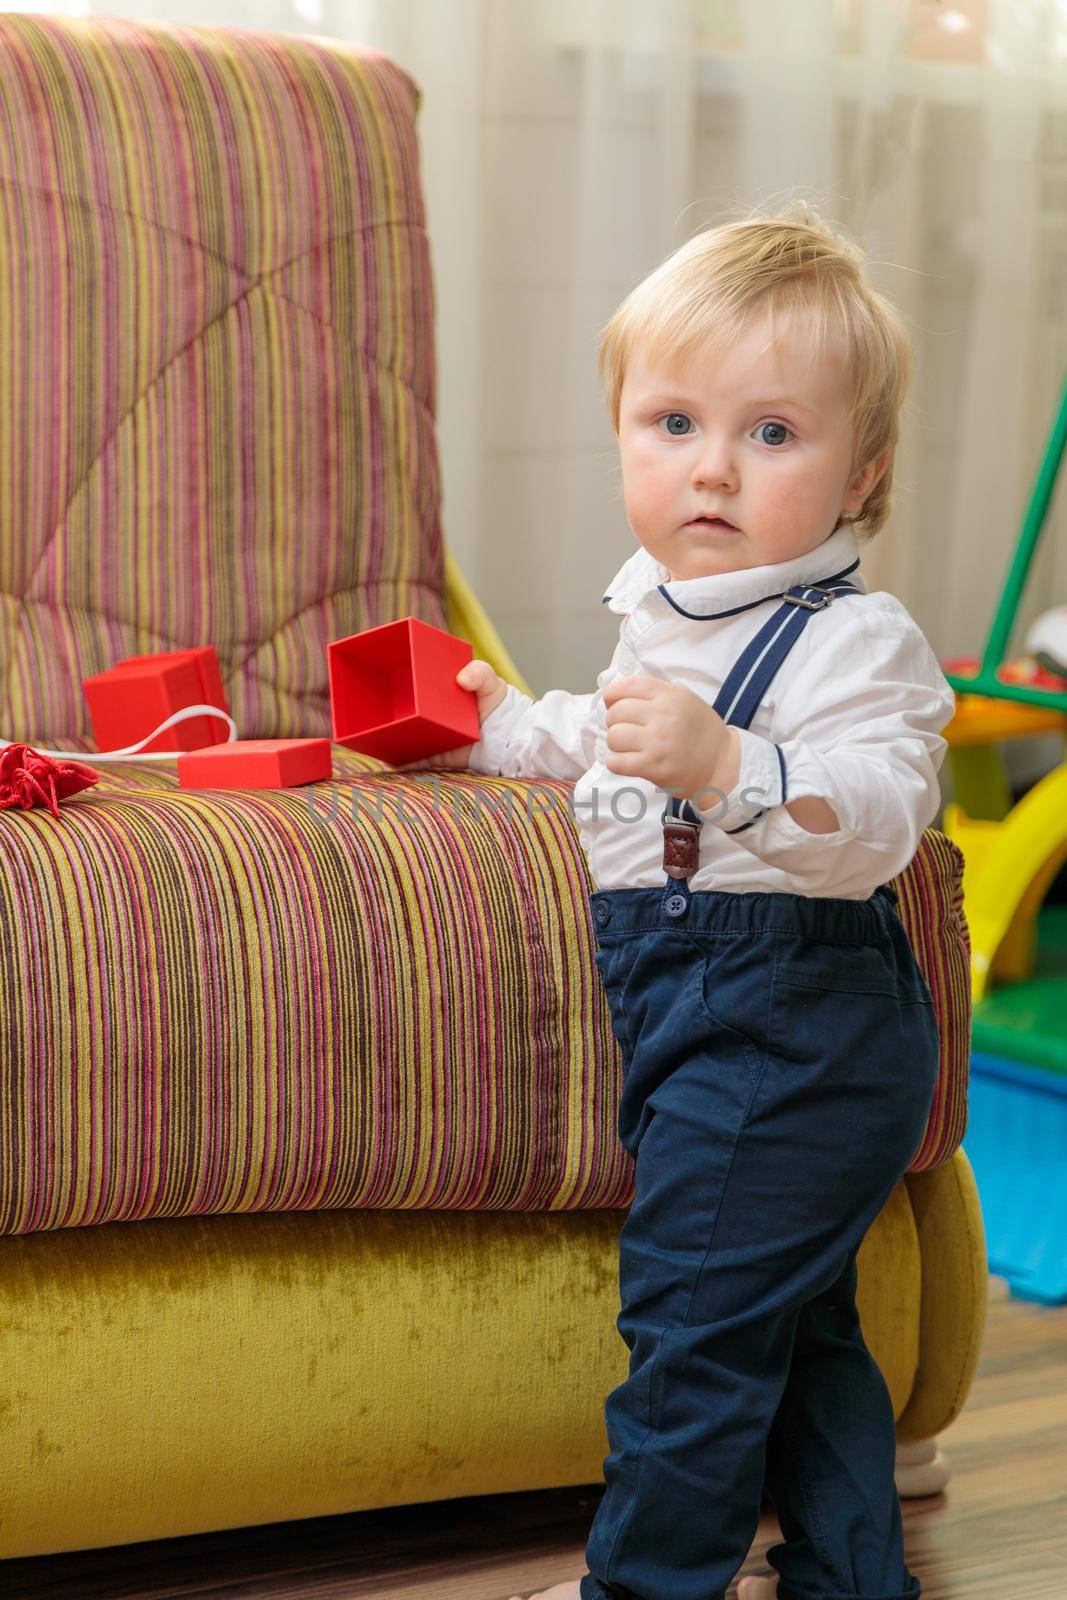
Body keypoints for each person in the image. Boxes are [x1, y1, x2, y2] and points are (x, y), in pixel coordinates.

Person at [418, 202, 954, 1600]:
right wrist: (492, 730)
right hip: (689, 1017)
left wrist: (734, 766)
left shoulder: (859, 641)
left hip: (804, 1021)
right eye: (671, 423)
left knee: (695, 1327)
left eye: (772, 434)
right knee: (791, 1324)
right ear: (619, 435)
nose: (712, 467)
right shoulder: (666, 610)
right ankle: (851, 1576)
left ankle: (645, 1586)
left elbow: (882, 820)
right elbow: (610, 746)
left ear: (862, 476)